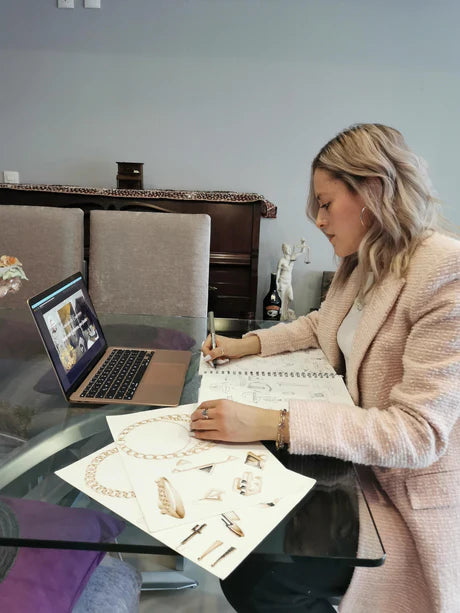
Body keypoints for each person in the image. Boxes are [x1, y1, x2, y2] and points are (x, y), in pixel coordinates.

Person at [191, 123, 460, 613]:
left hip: (401, 495)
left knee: (262, 575)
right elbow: (323, 324)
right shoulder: (363, 261)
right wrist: (247, 344)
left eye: (325, 203)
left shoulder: (444, 270)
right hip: (351, 466)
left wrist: (275, 422)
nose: (317, 219)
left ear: (373, 191)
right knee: (238, 531)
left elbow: (418, 434)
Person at [276, 239, 308, 320]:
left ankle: (286, 313)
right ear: (284, 250)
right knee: (282, 300)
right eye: (287, 248)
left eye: (290, 248)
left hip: (288, 282)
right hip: (282, 281)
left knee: (290, 298)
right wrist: (277, 283)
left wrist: (303, 243)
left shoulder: (292, 257)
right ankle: (283, 316)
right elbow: (278, 272)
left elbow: (302, 252)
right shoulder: (282, 260)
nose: (289, 250)